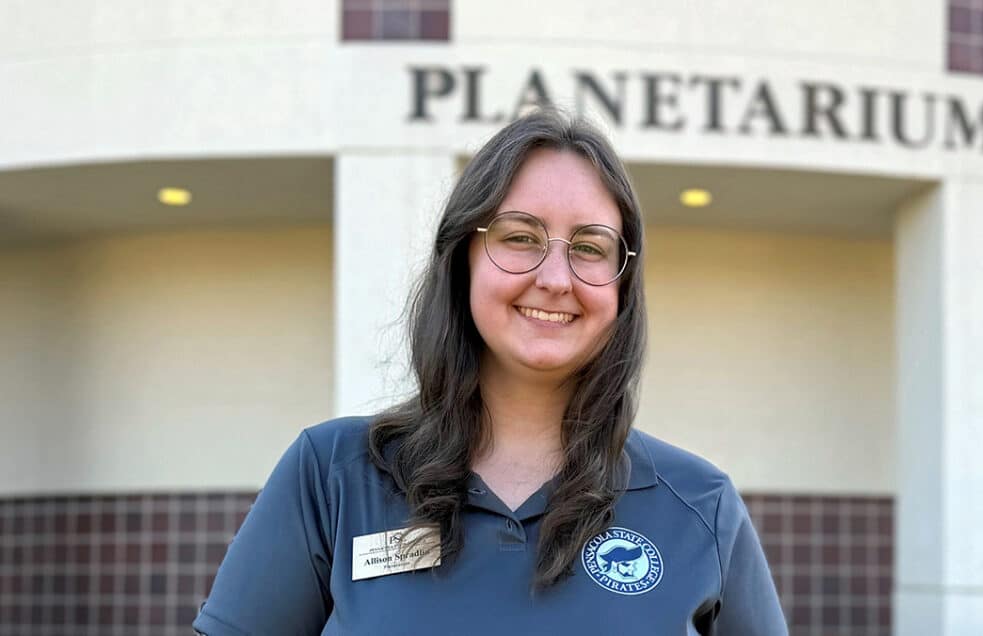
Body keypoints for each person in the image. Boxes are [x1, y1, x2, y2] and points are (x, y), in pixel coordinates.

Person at [192, 108, 788, 635]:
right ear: (463, 260)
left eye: (589, 247)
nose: (555, 279)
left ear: (622, 285)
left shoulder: (700, 507)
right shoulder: (332, 479)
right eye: (521, 237)